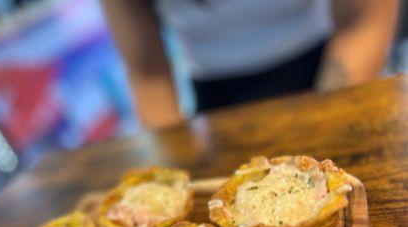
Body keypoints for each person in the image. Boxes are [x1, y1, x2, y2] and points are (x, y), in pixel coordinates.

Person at [101, 0, 400, 129]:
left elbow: (363, 23)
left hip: (333, 71)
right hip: (216, 105)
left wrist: (322, 126)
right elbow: (148, 75)